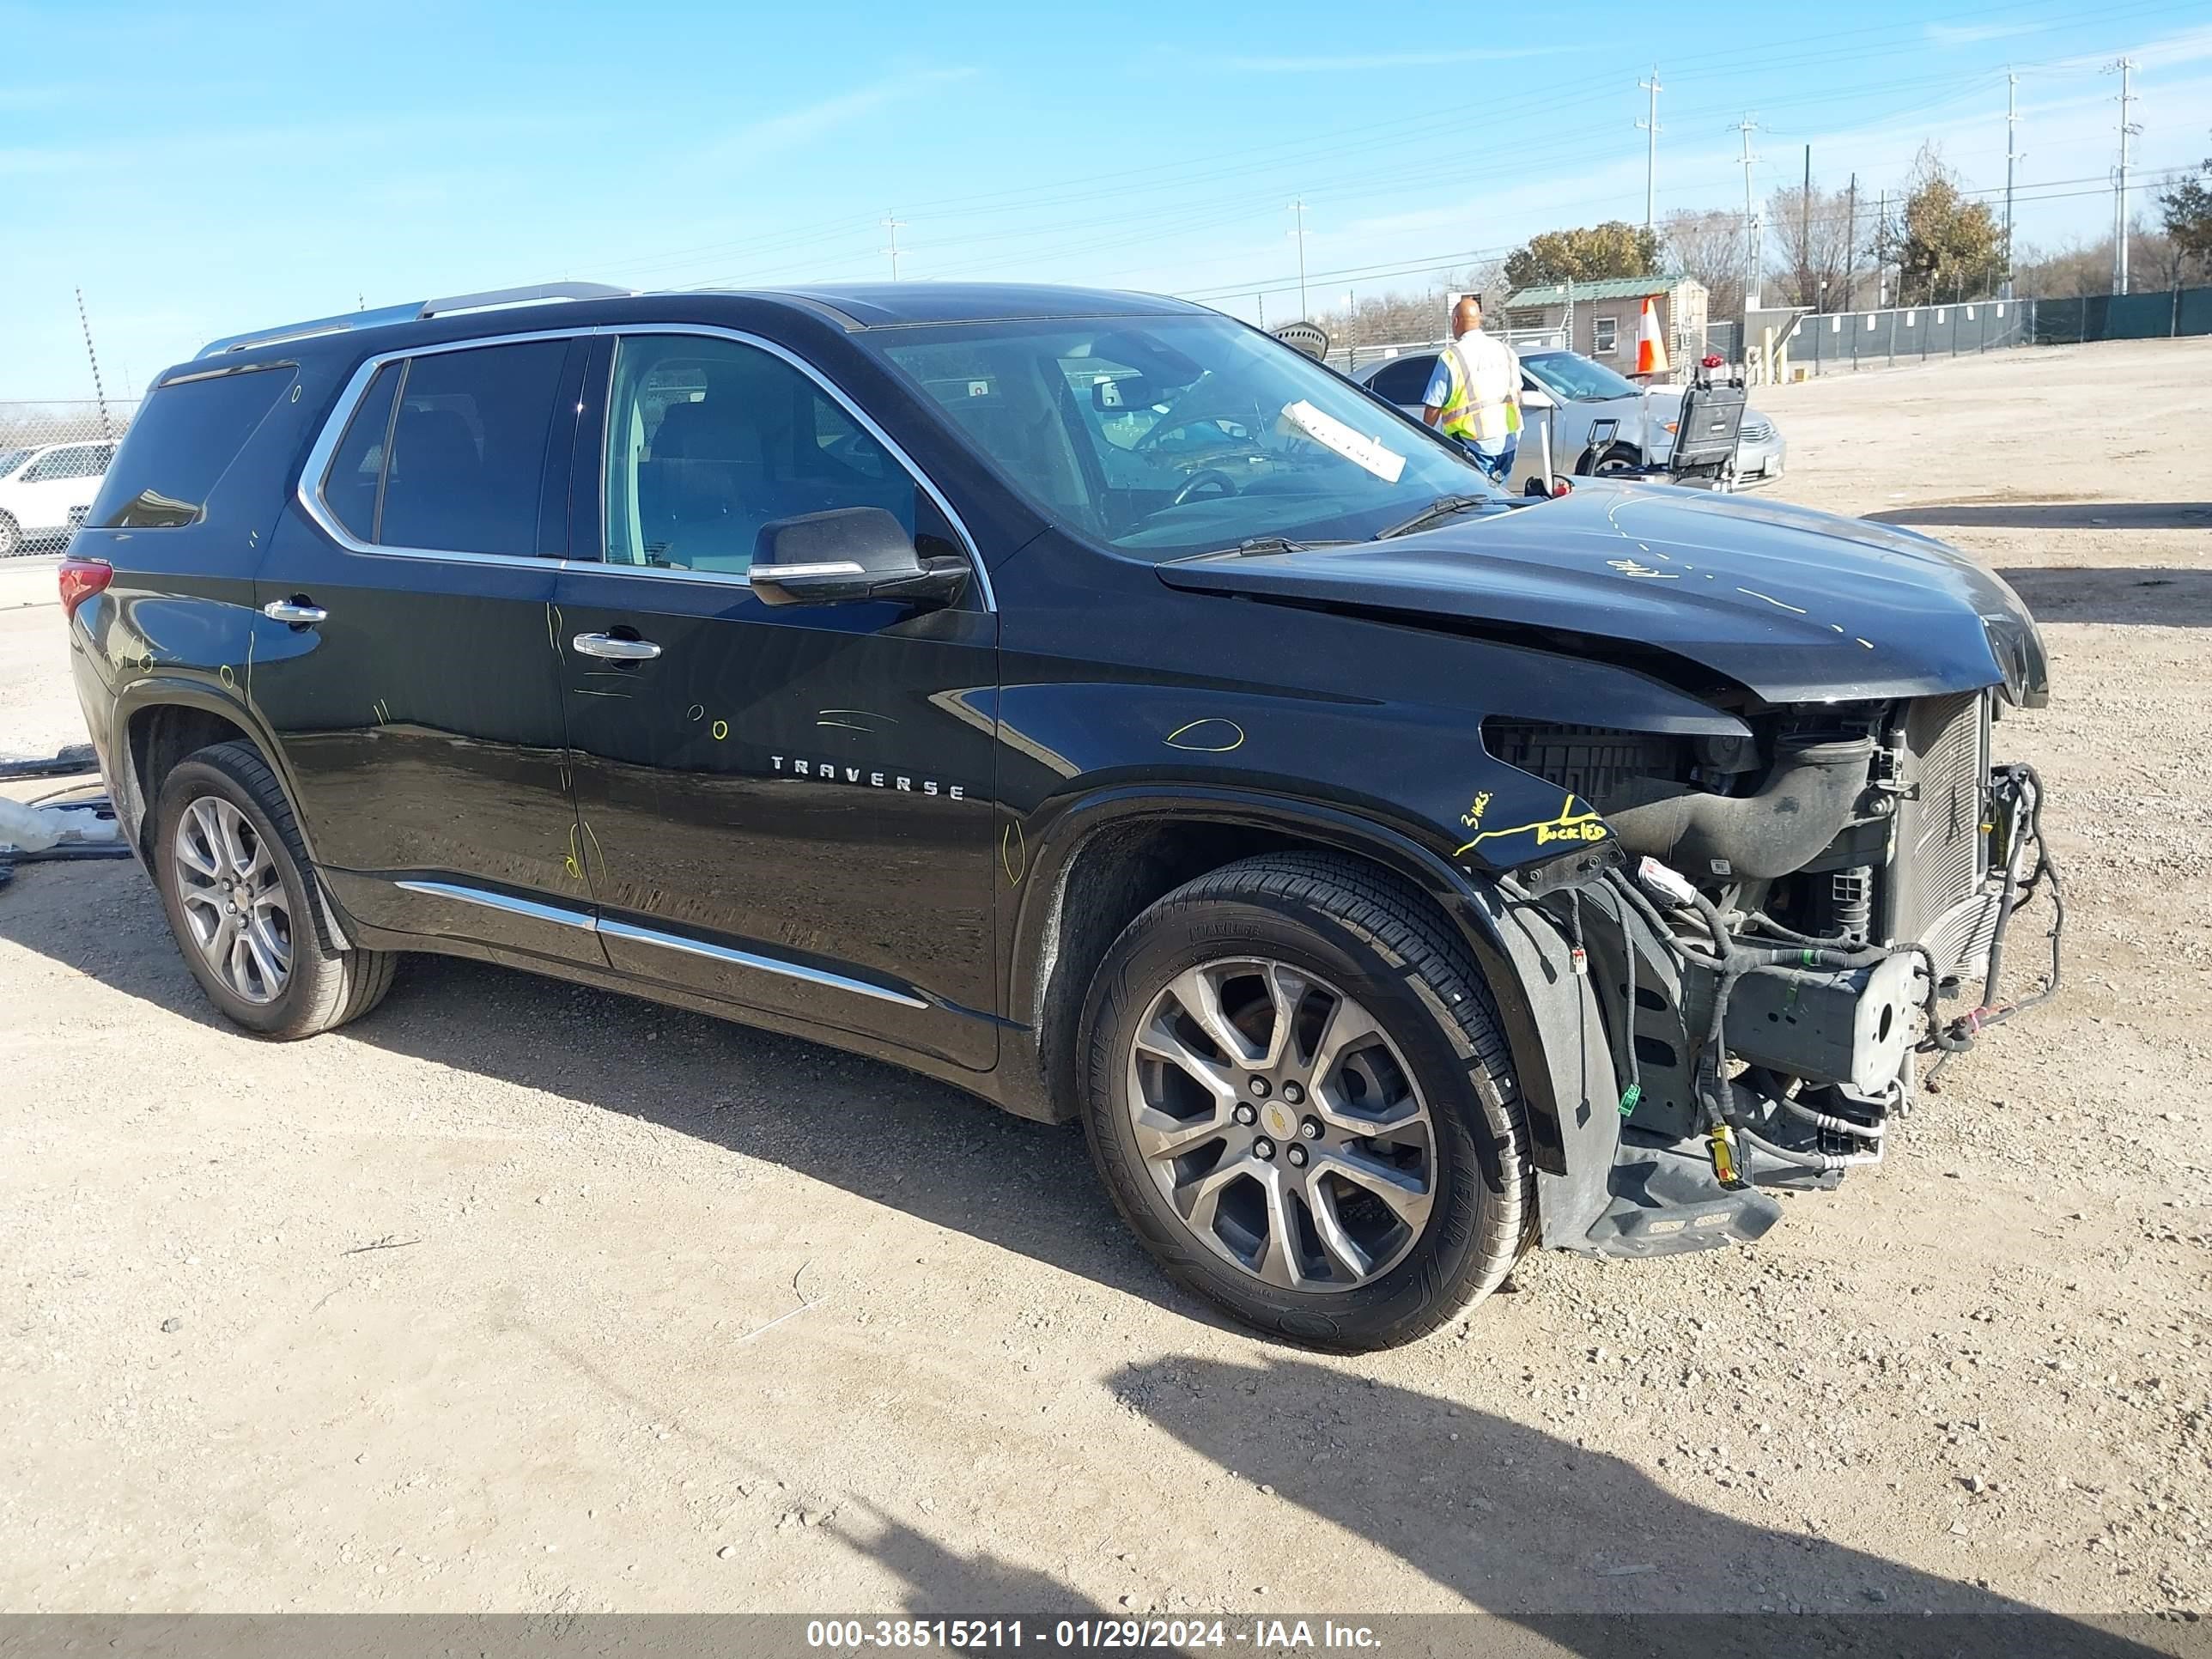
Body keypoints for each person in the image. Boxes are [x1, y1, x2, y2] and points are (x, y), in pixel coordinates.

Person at [1421, 295, 1522, 486]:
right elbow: (1518, 393)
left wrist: (1423, 439)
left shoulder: (1452, 357)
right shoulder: (1505, 351)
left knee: (1478, 500)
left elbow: (1434, 405)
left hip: (1474, 444)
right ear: (1479, 320)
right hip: (1508, 441)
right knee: (1500, 499)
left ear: (1456, 321)